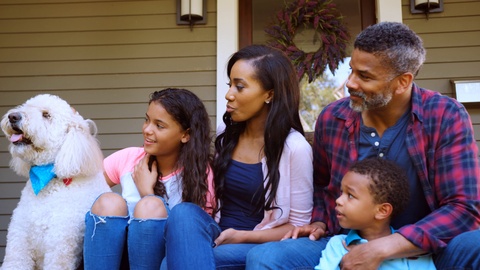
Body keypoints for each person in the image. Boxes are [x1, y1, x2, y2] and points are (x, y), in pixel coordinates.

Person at [247, 21, 480, 269]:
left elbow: (464, 209)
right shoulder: (332, 118)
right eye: (351, 70)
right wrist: (320, 221)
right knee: (265, 258)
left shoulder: (445, 115)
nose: (350, 83)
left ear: (403, 81)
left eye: (364, 76)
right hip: (345, 244)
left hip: (426, 251)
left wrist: (383, 247)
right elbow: (322, 186)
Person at [160, 44, 314, 269]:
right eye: (230, 84)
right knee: (183, 213)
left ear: (269, 94)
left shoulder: (294, 148)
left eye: (239, 87)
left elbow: (297, 227)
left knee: (168, 265)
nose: (228, 94)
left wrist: (242, 236)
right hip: (217, 231)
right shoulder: (228, 133)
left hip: (257, 244)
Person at [83, 88, 215, 269]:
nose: (147, 130)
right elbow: (82, 190)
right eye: (147, 120)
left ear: (185, 134)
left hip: (161, 260)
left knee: (150, 206)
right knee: (109, 201)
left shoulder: (200, 172)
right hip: (114, 256)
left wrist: (147, 193)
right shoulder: (128, 158)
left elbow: (195, 236)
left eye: (159, 126)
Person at [315, 158, 435, 270]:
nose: (338, 200)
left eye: (350, 195)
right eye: (342, 193)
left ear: (382, 211)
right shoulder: (337, 245)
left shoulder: (409, 251)